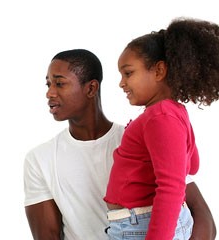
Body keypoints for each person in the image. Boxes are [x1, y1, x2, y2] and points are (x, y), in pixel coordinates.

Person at [23, 49, 216, 239]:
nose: (50, 93)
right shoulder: (39, 159)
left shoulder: (142, 138)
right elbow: (47, 236)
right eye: (48, 84)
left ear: (91, 88)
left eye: (59, 83)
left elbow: (202, 216)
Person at [103, 17, 219, 240]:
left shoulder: (160, 117)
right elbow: (192, 165)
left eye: (128, 73)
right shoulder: (172, 113)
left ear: (159, 71)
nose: (121, 83)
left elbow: (172, 189)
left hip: (143, 227)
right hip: (139, 224)